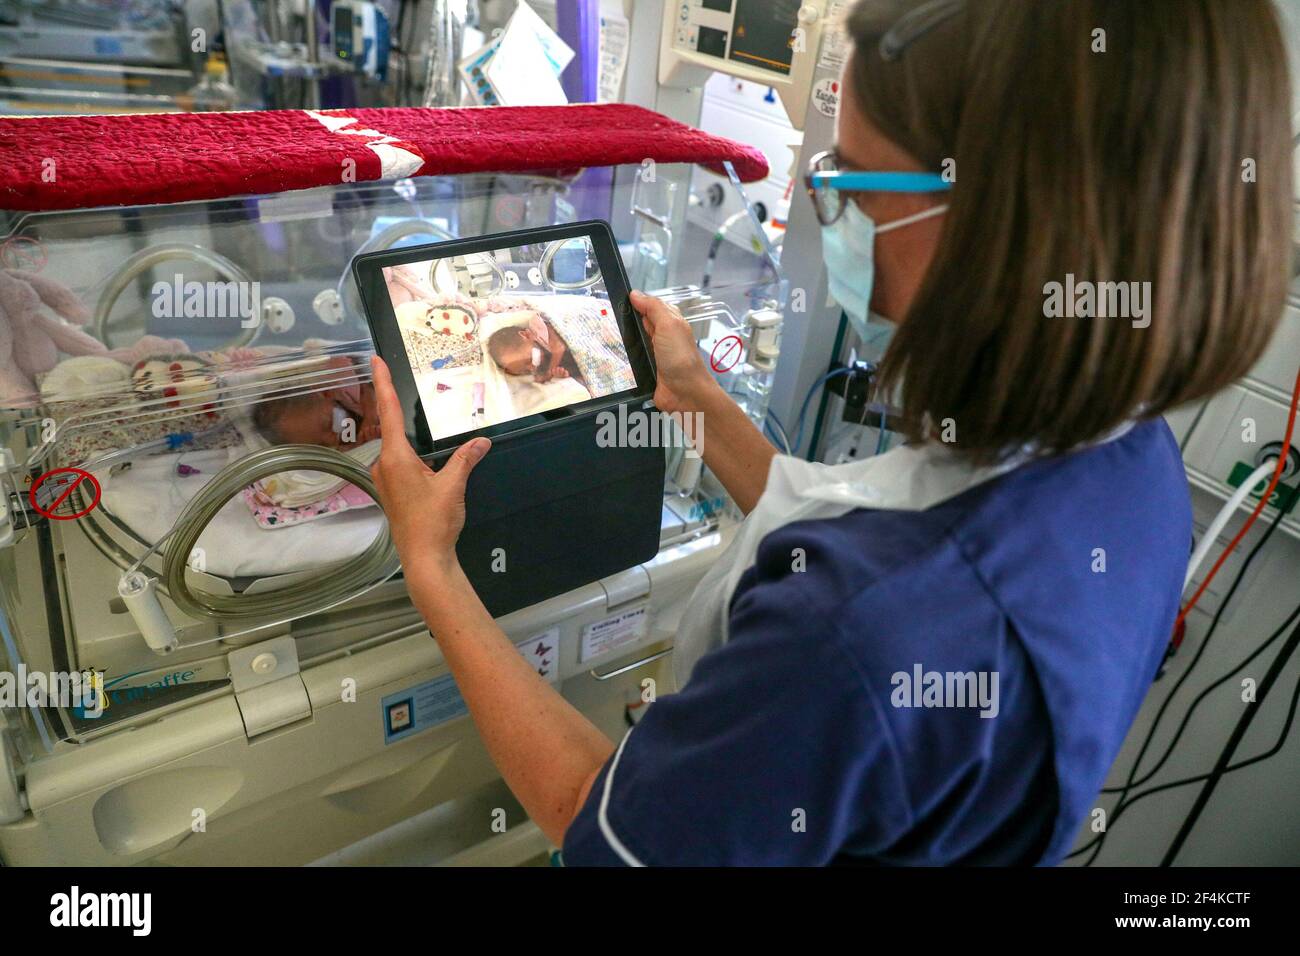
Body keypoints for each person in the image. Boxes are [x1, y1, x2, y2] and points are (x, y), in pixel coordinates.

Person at [368, 0, 1292, 865]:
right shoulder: (1128, 462)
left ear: (994, 226)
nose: (831, 212)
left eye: (847, 182)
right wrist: (695, 397)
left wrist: (436, 571)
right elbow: (865, 523)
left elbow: (594, 823)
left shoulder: (854, 634)